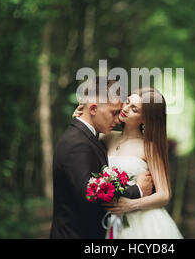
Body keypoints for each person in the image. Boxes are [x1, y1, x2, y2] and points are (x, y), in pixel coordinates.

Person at [49, 77, 153, 239]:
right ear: (93, 109)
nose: (119, 119)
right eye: (114, 113)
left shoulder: (88, 136)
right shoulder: (79, 144)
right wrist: (137, 190)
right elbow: (90, 197)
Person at [73, 87, 183, 239]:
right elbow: (82, 138)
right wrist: (79, 116)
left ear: (145, 119)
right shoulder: (107, 137)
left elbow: (164, 195)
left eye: (134, 109)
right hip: (110, 220)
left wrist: (132, 204)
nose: (125, 109)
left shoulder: (149, 147)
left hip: (142, 222)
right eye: (127, 102)